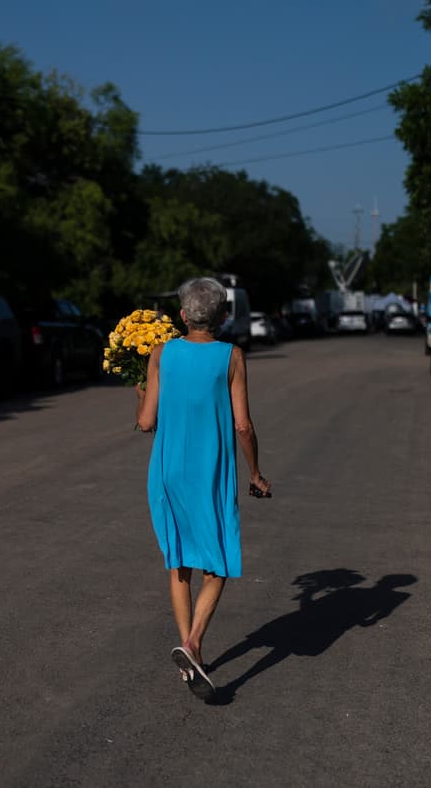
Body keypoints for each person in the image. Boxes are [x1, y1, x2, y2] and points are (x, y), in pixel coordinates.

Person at [135, 276, 272, 700]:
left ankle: (190, 653)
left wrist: (141, 393)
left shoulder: (161, 353)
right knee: (219, 562)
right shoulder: (231, 356)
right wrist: (255, 473)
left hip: (167, 470)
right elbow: (243, 426)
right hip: (209, 471)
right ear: (223, 317)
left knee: (179, 560)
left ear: (181, 315)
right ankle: (193, 643)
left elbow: (145, 422)